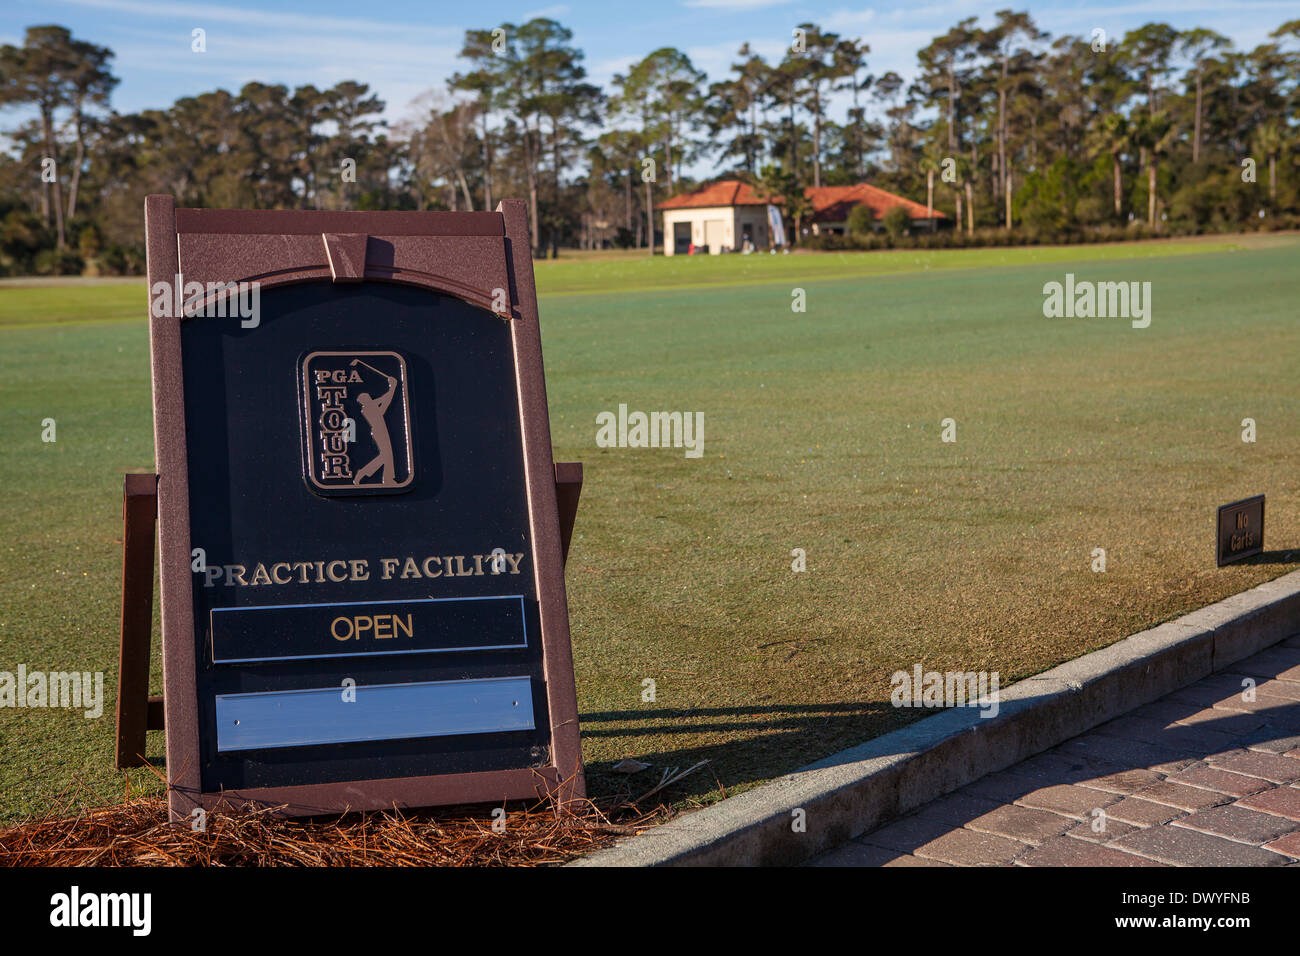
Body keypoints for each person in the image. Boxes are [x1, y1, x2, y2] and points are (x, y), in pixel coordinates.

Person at [353, 374, 397, 484]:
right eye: (368, 397)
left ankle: (388, 479)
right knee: (385, 455)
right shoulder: (368, 409)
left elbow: (385, 402)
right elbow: (384, 399)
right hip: (379, 432)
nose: (370, 398)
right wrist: (393, 387)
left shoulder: (372, 406)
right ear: (364, 401)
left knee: (387, 455)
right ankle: (363, 473)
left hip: (382, 430)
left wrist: (392, 388)